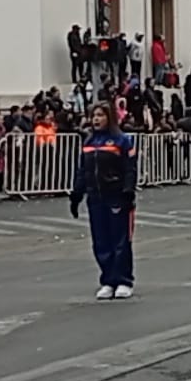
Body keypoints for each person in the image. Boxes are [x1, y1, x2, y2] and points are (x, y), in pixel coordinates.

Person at [69, 102, 139, 300]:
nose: (96, 119)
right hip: (96, 198)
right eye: (94, 115)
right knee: (101, 241)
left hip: (116, 196)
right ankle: (108, 280)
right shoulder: (89, 141)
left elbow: (130, 168)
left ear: (110, 117)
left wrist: (128, 191)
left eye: (100, 115)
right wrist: (76, 194)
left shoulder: (122, 140)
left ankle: (124, 280)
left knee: (120, 240)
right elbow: (83, 170)